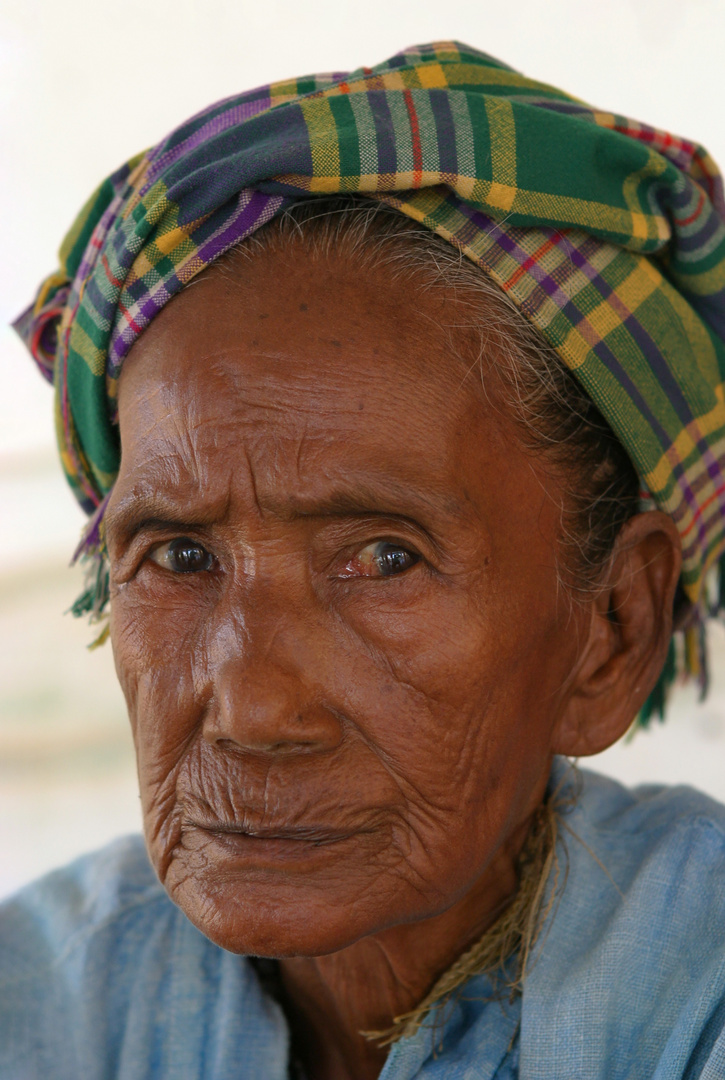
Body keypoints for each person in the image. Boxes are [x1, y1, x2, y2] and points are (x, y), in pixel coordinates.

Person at [3, 40, 725, 1080]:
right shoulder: (41, 1001)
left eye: (383, 557)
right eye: (177, 555)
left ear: (610, 629)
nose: (250, 709)